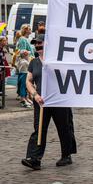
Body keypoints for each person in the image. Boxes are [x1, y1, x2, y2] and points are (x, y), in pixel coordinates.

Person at [21, 34, 77, 170]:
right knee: (39, 128)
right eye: (36, 44)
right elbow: (28, 80)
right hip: (41, 101)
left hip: (58, 100)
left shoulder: (58, 60)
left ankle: (66, 155)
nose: (37, 46)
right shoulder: (34, 62)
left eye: (40, 44)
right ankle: (34, 159)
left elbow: (70, 74)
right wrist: (34, 94)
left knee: (64, 128)